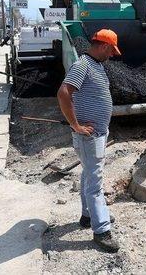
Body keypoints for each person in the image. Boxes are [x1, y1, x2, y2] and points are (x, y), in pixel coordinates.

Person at [57, 29, 121, 253]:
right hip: (88, 136)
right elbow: (64, 92)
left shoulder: (97, 65)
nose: (112, 55)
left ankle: (88, 215)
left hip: (97, 134)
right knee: (95, 183)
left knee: (88, 174)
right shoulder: (82, 65)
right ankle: (101, 230)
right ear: (103, 46)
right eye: (111, 51)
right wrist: (75, 125)